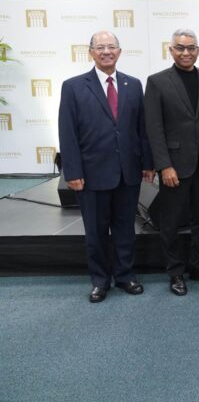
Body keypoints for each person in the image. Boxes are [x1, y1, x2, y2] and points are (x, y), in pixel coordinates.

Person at [58, 31, 154, 303]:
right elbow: (67, 133)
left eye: (111, 47)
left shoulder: (133, 85)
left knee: (125, 228)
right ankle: (100, 281)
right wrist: (72, 172)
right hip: (91, 175)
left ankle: (125, 275)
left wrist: (147, 163)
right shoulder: (73, 86)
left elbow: (141, 129)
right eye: (100, 47)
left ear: (119, 52)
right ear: (91, 52)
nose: (106, 51)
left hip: (128, 172)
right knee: (96, 233)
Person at [144, 29, 199, 296]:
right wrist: (163, 165)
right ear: (171, 50)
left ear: (198, 50)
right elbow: (153, 128)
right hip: (174, 166)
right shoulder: (156, 82)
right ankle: (175, 272)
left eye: (191, 48)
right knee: (172, 222)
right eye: (180, 48)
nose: (186, 52)